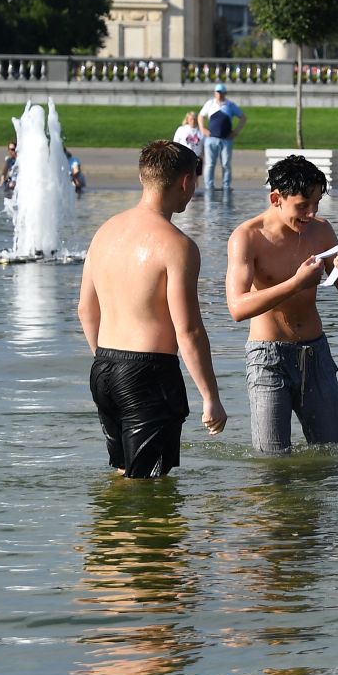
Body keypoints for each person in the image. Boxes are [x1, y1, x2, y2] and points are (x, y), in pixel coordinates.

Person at [76, 141, 226, 476]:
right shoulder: (177, 246)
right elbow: (188, 330)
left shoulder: (104, 232)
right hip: (149, 373)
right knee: (148, 488)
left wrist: (107, 361)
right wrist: (210, 397)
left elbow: (86, 309)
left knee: (123, 474)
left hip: (104, 368)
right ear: (186, 181)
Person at [225, 156, 338, 454]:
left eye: (316, 204)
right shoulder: (247, 237)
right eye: (303, 206)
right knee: (272, 462)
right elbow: (237, 307)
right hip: (267, 358)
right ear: (276, 198)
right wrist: (296, 284)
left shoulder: (321, 230)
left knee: (333, 455)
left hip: (316, 353)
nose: (311, 213)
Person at [199, 84, 245, 191]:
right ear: (215, 93)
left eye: (221, 92)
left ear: (225, 93)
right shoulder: (210, 104)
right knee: (210, 164)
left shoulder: (230, 105)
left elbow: (242, 117)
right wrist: (202, 128)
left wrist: (236, 131)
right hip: (211, 138)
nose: (219, 94)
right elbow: (201, 116)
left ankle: (226, 185)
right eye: (217, 92)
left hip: (226, 139)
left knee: (225, 164)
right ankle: (209, 186)